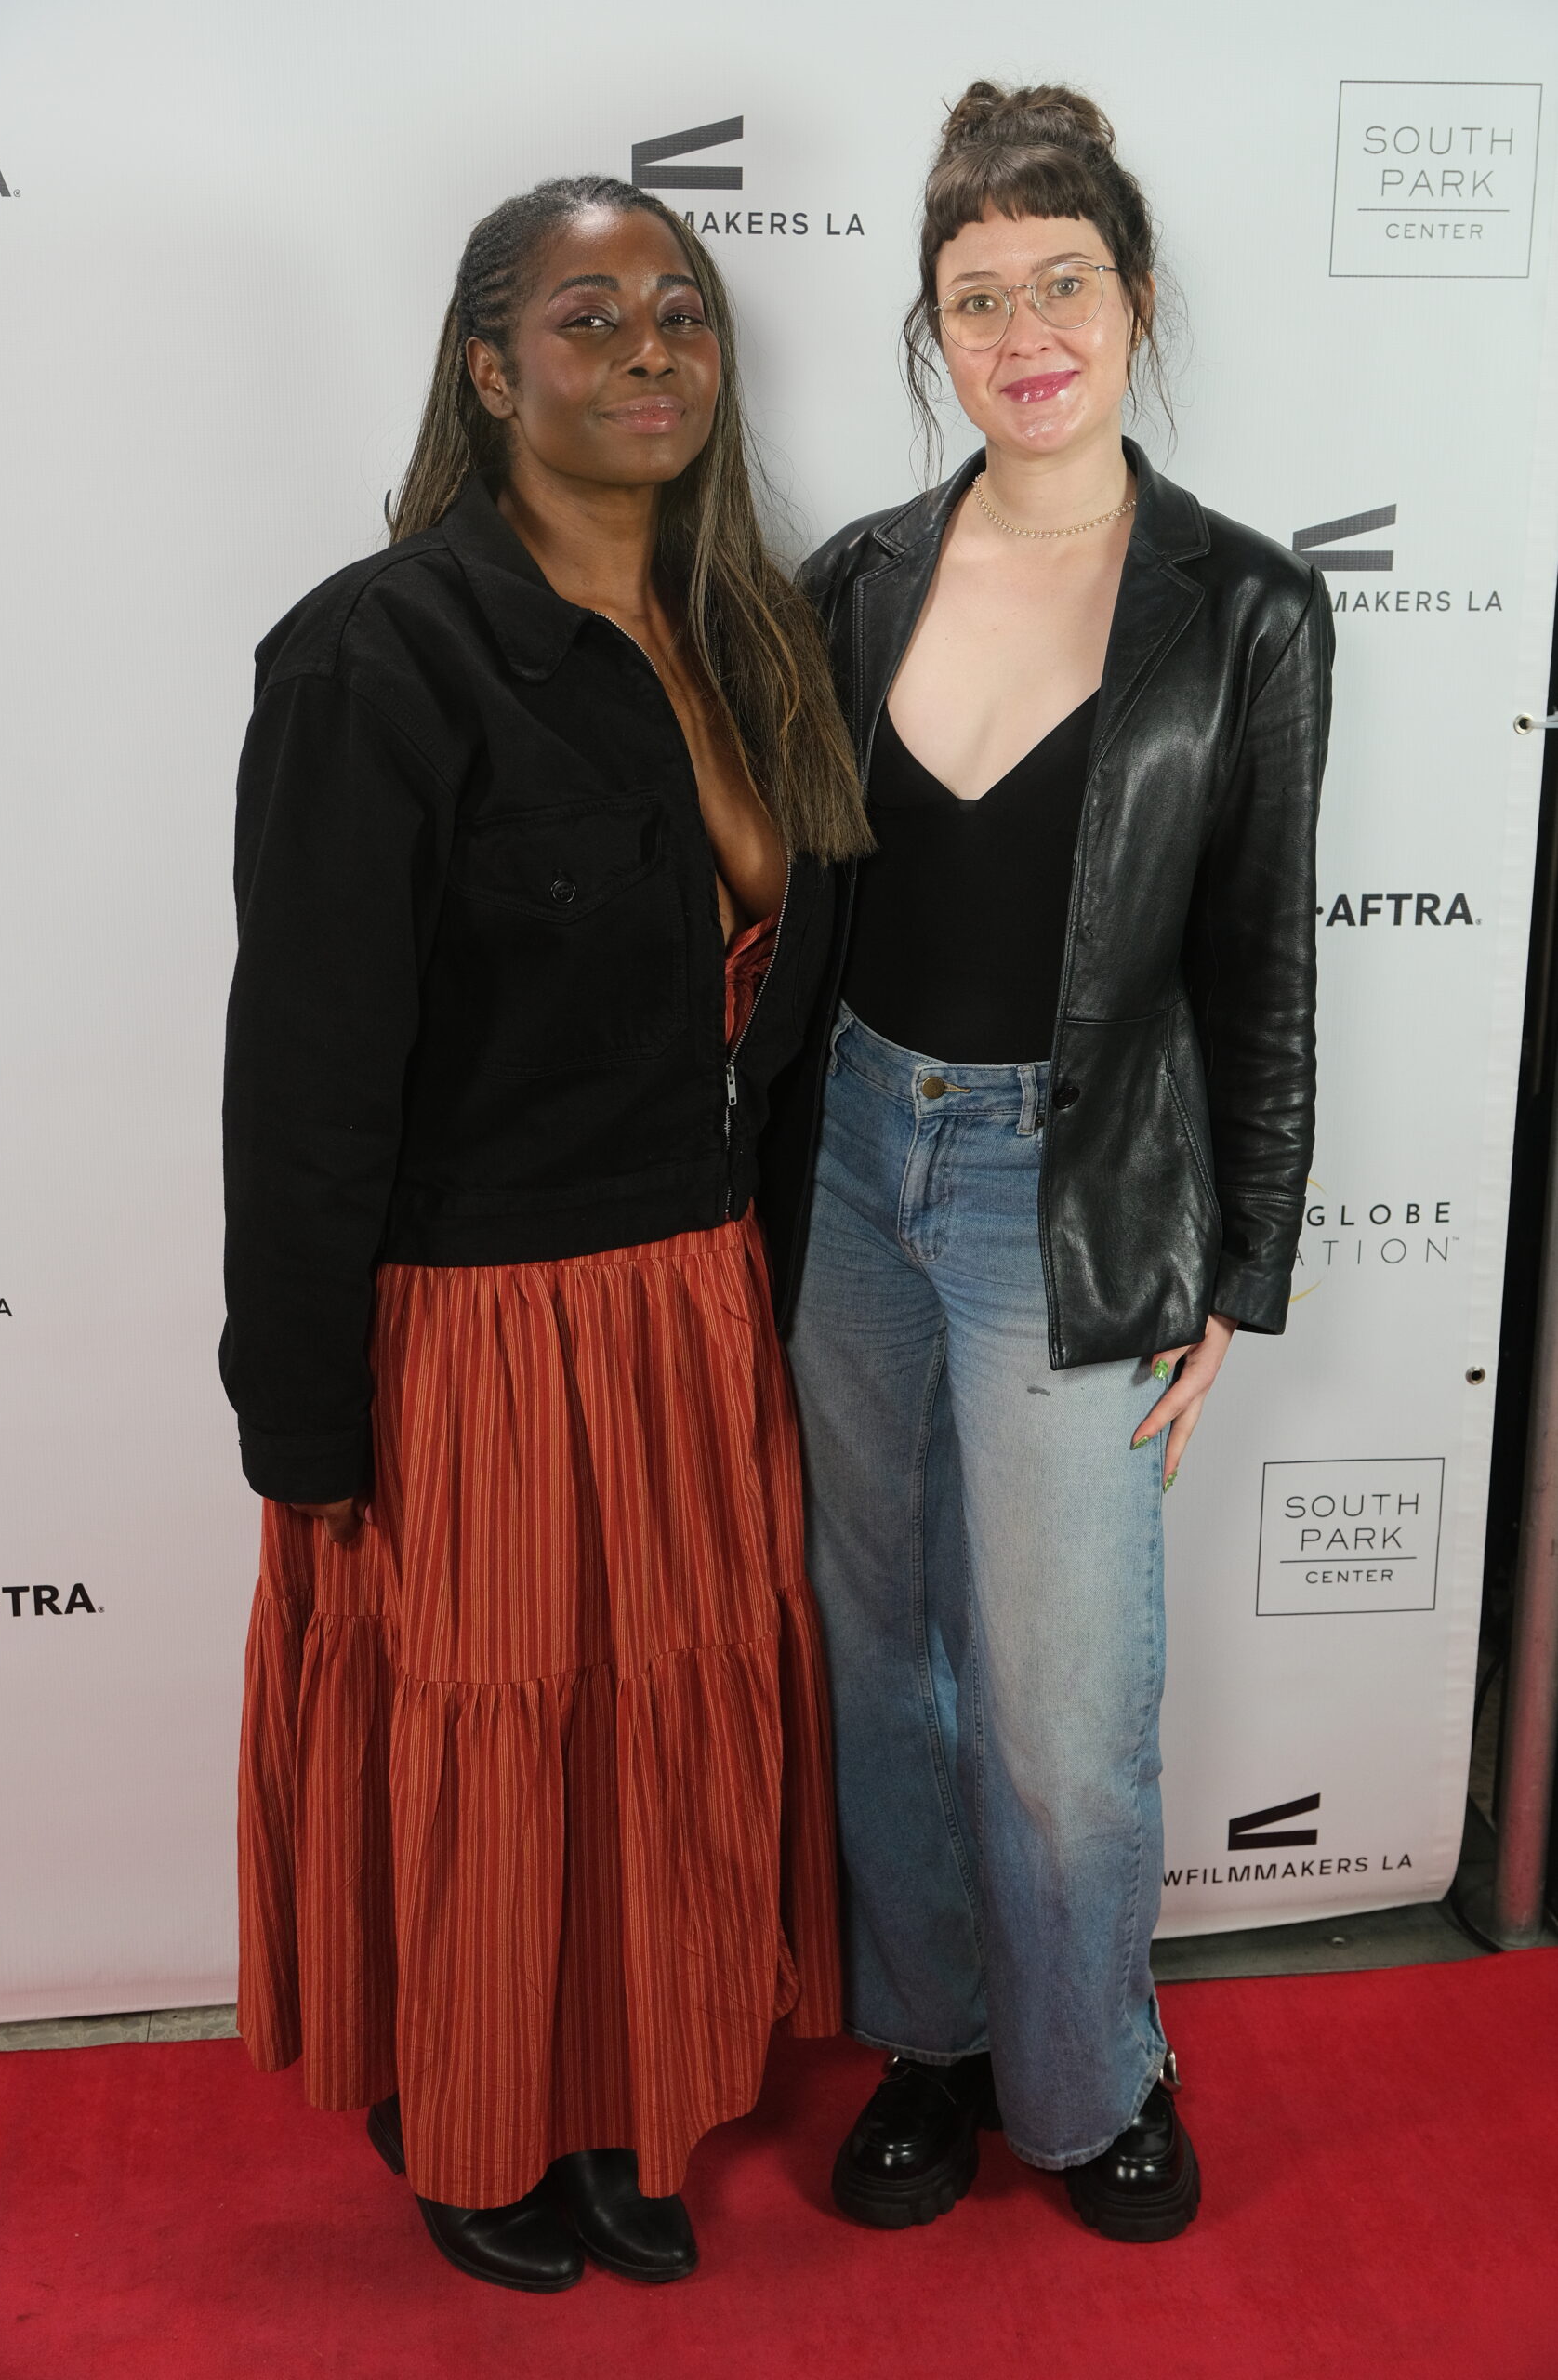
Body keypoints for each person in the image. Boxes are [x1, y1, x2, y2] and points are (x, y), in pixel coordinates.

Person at [221, 175, 869, 2293]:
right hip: (473, 1325)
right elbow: (304, 1077)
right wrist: (303, 1416)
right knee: (495, 1740)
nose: (649, 348)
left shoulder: (752, 630)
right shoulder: (378, 654)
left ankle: (615, 2100)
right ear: (490, 375)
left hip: (690, 1298)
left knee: (653, 1729)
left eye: (678, 309)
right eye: (587, 319)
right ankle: (470, 2113)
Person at [762, 82, 1333, 2242]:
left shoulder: (1246, 607)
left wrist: (1237, 1268)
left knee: (1064, 1697)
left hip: (1064, 1202)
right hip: (849, 1169)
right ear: (931, 330)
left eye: (1058, 283)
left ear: (1133, 297)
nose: (1023, 334)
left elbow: (1261, 963)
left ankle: (1090, 2075)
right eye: (976, 297)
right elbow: (795, 927)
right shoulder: (853, 580)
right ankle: (931, 2035)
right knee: (881, 1648)